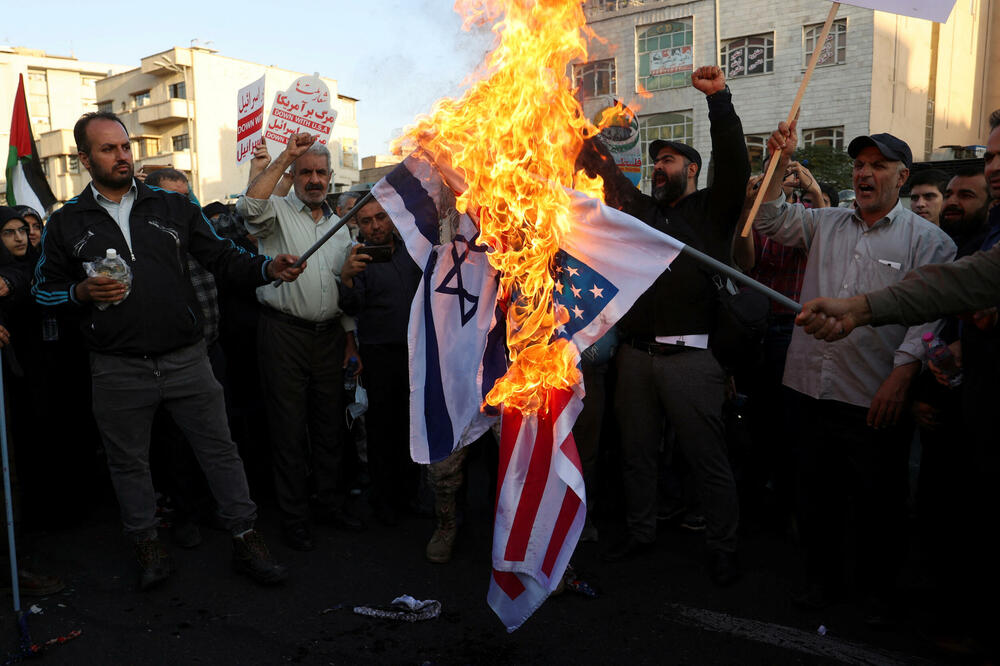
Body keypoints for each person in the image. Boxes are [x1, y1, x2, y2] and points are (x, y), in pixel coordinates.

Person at [32, 111, 302, 590]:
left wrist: (266, 269)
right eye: (108, 149)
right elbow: (41, 293)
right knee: (129, 462)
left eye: (125, 146)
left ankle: (246, 537)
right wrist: (80, 293)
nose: (122, 156)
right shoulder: (66, 222)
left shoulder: (172, 207)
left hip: (186, 359)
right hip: (116, 369)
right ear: (84, 158)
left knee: (220, 451)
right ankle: (147, 545)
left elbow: (221, 256)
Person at [754, 120, 956, 620]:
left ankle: (876, 594)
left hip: (872, 393)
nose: (865, 174)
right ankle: (821, 582)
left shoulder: (930, 242)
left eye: (878, 166)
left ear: (902, 176)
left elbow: (929, 319)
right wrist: (779, 162)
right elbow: (770, 219)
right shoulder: (827, 223)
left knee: (878, 503)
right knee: (814, 494)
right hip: (807, 387)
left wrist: (903, 374)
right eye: (859, 165)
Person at [578, 65, 746, 586]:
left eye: (668, 160)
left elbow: (736, 166)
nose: (657, 167)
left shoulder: (711, 211)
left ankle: (723, 546)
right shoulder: (640, 213)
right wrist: (570, 119)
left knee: (705, 457)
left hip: (691, 361)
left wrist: (719, 101)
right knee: (636, 453)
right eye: (653, 161)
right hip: (635, 359)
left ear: (692, 169)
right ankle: (640, 531)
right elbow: (604, 171)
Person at [237, 132, 363, 552]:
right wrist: (281, 159)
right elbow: (247, 208)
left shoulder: (339, 224)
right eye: (305, 171)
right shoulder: (275, 212)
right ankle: (294, 517)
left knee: (329, 427)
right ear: (294, 174)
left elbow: (339, 283)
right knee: (288, 429)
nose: (314, 179)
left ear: (330, 177)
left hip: (329, 338)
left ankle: (329, 504)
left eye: (320, 172)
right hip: (283, 335)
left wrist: (349, 339)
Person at [338, 198, 422, 528]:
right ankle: (383, 501)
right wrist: (346, 279)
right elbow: (350, 306)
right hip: (379, 353)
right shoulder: (357, 258)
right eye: (367, 220)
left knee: (412, 427)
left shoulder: (412, 250)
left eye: (380, 217)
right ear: (358, 225)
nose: (375, 226)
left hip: (416, 353)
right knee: (382, 430)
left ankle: (410, 496)